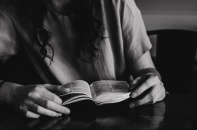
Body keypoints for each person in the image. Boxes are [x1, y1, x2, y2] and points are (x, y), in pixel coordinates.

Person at [0, 0, 166, 118]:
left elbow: (146, 70)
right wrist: (11, 92)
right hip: (53, 118)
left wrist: (153, 81)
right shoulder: (12, 9)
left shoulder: (119, 4)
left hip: (121, 117)